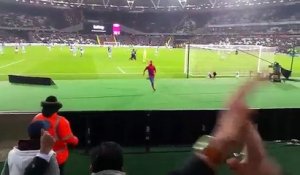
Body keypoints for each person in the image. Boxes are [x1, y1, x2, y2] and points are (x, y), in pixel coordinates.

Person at [23, 80, 282, 175]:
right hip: (60, 158)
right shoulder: (62, 122)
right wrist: (220, 144)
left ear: (91, 168)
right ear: (123, 168)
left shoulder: (34, 123)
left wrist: (218, 146)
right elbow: (72, 140)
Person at [32, 95, 79, 175]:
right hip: (57, 158)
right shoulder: (62, 121)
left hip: (39, 155)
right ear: (56, 109)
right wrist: (76, 140)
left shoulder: (36, 118)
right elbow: (69, 139)